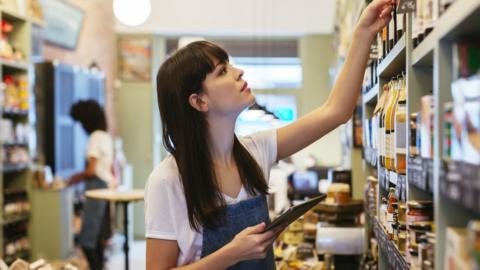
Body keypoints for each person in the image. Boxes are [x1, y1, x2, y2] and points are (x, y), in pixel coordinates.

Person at [145, 0, 395, 268]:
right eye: (222, 71)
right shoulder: (167, 181)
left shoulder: (257, 150)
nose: (238, 71)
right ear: (199, 102)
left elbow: (336, 111)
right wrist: (233, 252)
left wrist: (363, 33)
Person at [68, 99, 114, 270]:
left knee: (87, 240)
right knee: (99, 238)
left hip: (96, 188)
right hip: (107, 188)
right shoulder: (106, 136)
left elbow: (91, 170)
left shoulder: (95, 137)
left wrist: (75, 177)